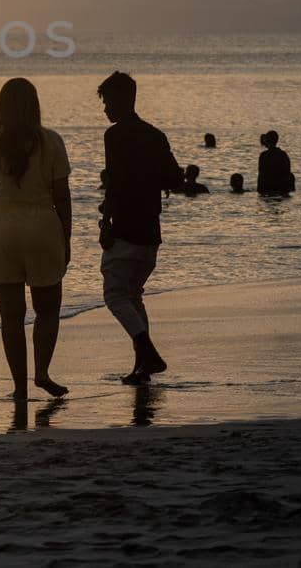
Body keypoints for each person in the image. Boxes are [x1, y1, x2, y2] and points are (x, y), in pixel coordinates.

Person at [0, 78, 72, 400]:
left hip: (1, 228)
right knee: (47, 309)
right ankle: (42, 372)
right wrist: (66, 237)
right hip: (42, 225)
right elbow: (63, 196)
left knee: (11, 317)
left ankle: (18, 387)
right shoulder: (51, 141)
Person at [97, 71, 184, 384]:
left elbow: (115, 184)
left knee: (114, 295)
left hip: (126, 226)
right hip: (150, 229)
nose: (105, 109)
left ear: (122, 100)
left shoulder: (115, 136)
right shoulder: (155, 135)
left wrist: (106, 222)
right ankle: (142, 365)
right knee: (133, 296)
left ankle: (148, 353)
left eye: (107, 102)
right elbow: (175, 179)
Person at [257, 130, 296, 195]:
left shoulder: (264, 155)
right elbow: (287, 172)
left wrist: (259, 190)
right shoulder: (283, 154)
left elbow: (261, 174)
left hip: (267, 187)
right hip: (281, 187)